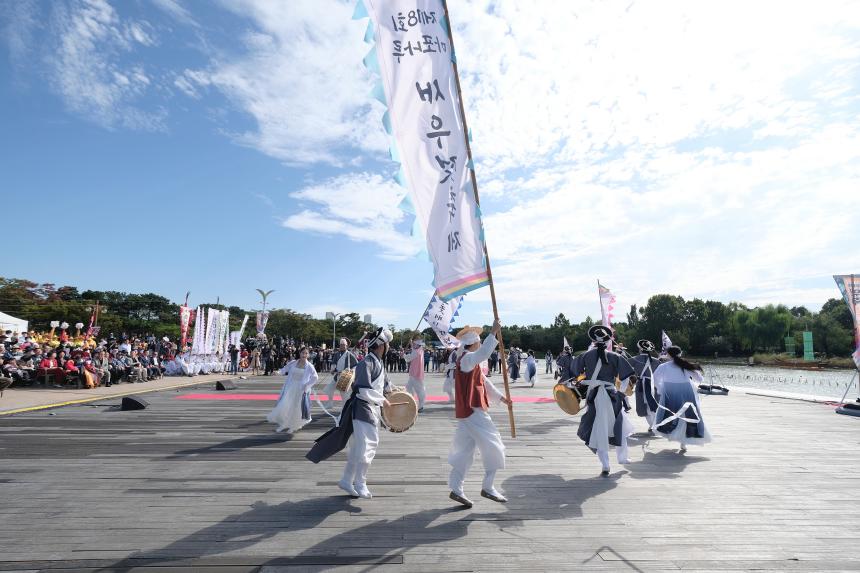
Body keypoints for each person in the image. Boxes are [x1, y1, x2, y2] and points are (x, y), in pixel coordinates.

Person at [306, 327, 394, 500]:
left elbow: (382, 383)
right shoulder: (366, 363)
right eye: (388, 344)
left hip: (370, 409)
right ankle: (360, 482)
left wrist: (392, 390)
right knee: (368, 445)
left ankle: (347, 480)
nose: (389, 347)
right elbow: (362, 389)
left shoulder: (377, 361)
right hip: (363, 409)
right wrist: (383, 400)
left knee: (357, 448)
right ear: (382, 345)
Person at [448, 319, 511, 508]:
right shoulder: (467, 359)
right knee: (494, 445)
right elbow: (484, 354)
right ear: (474, 343)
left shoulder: (468, 360)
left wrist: (501, 398)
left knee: (465, 452)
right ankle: (488, 486)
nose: (481, 343)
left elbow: (485, 383)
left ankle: (456, 489)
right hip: (474, 411)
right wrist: (493, 333)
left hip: (468, 413)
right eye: (480, 341)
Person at [566, 325, 636, 476]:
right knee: (619, 426)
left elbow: (572, 373)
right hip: (612, 396)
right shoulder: (615, 356)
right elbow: (626, 378)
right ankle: (622, 458)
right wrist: (622, 393)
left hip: (594, 396)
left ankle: (605, 465)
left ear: (593, 340)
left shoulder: (585, 356)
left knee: (598, 429)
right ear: (608, 340)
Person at [652, 346, 712, 451]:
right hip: (686, 392)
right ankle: (684, 441)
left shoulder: (663, 366)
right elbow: (699, 379)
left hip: (670, 392)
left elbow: (655, 379)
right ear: (680, 353)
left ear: (668, 355)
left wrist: (661, 389)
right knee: (687, 415)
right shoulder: (685, 365)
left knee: (671, 415)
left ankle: (674, 435)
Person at [266, 347, 319, 433]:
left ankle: (294, 426)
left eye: (306, 353)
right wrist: (277, 372)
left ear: (308, 355)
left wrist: (307, 385)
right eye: (303, 353)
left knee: (296, 407)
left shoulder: (309, 366)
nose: (304, 355)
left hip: (300, 390)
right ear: (300, 353)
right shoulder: (293, 363)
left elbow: (315, 377)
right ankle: (284, 424)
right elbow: (284, 370)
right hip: (290, 388)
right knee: (285, 405)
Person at [629, 340, 661, 430]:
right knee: (653, 403)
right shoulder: (656, 361)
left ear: (640, 349)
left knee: (644, 404)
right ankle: (655, 424)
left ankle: (653, 425)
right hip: (654, 384)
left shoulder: (635, 359)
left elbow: (625, 367)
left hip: (641, 385)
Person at [324, 338, 358, 408]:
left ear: (346, 346)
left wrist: (350, 371)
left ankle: (345, 409)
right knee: (328, 389)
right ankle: (330, 403)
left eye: (343, 345)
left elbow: (356, 365)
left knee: (344, 395)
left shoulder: (350, 354)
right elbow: (333, 363)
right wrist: (332, 369)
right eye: (341, 345)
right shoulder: (337, 354)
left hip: (345, 376)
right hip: (337, 375)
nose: (342, 346)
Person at [405, 335, 427, 412]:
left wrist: (403, 355)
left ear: (418, 345)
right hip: (414, 374)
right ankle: (412, 403)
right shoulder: (419, 350)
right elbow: (413, 350)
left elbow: (409, 358)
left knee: (419, 390)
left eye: (414, 344)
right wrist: (411, 344)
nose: (413, 345)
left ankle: (421, 406)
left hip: (416, 374)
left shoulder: (417, 352)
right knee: (409, 388)